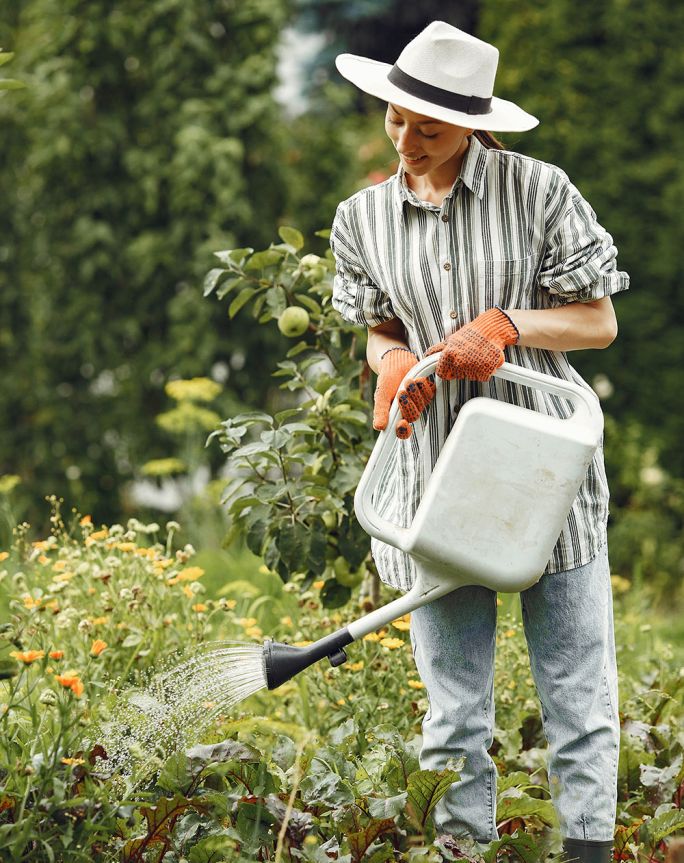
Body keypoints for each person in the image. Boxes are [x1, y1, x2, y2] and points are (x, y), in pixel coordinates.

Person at [330, 21, 629, 863]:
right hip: (438, 480)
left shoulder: (538, 191)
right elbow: (380, 328)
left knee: (576, 695)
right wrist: (391, 364)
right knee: (454, 707)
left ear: (473, 122)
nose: (407, 140)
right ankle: (462, 852)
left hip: (545, 474)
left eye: (429, 128)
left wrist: (507, 324)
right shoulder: (361, 219)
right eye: (396, 119)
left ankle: (587, 852)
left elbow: (598, 321)